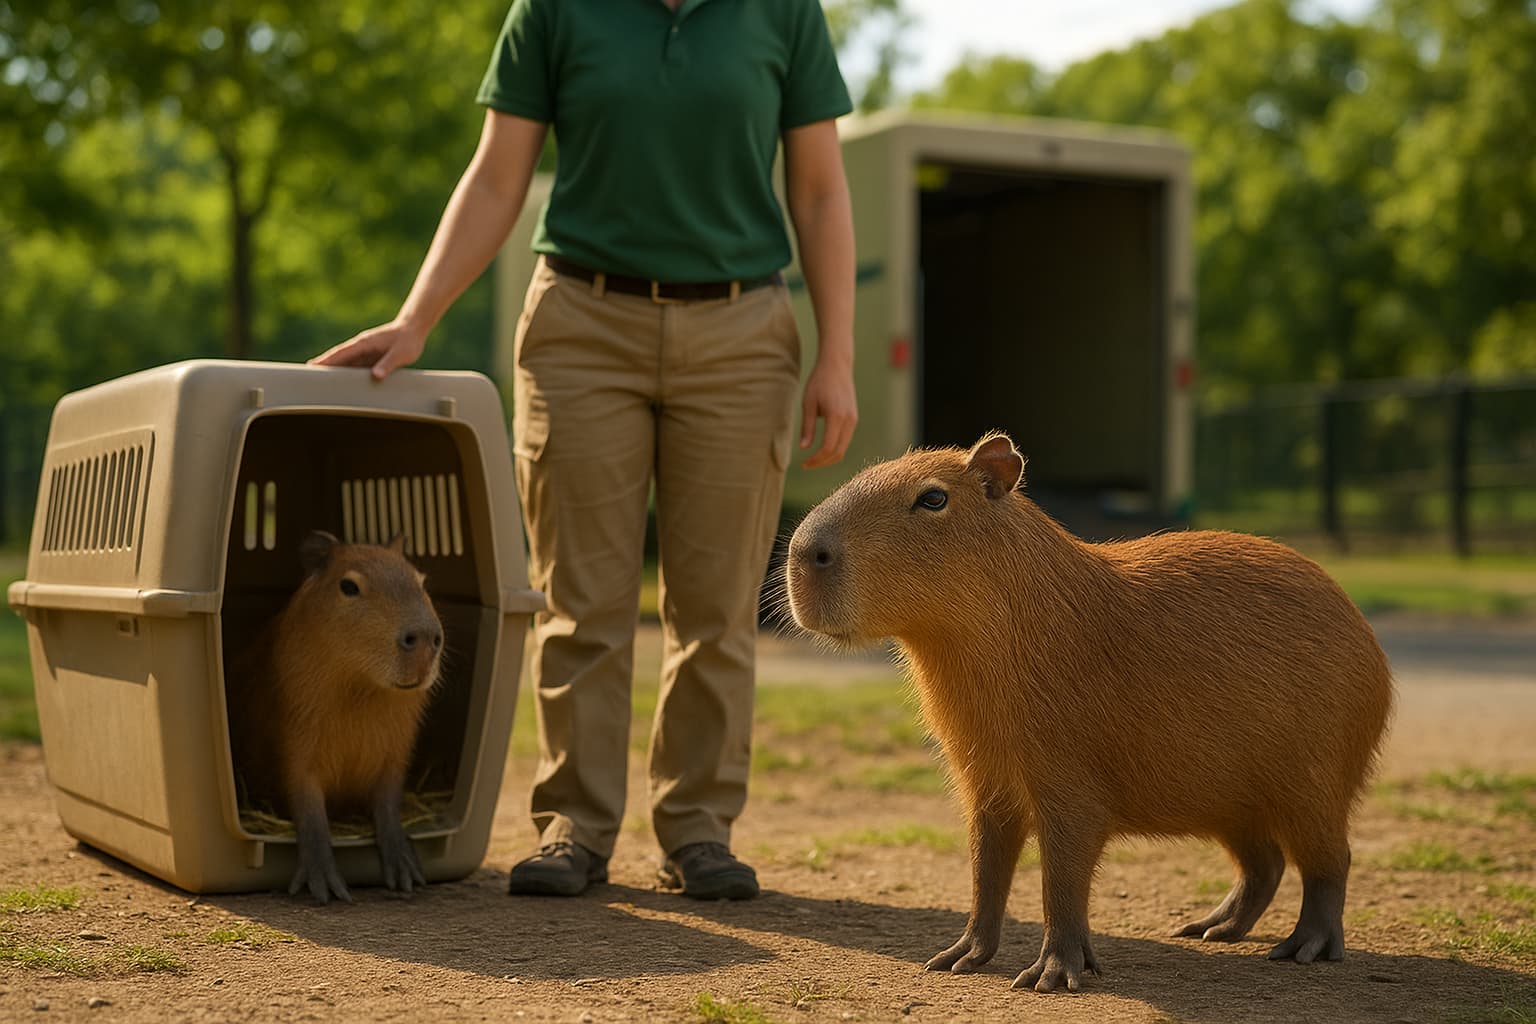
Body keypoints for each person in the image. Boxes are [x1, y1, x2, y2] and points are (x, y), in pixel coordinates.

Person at [312, 0, 857, 901]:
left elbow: (820, 190)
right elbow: (496, 177)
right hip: (581, 324)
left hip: (741, 332)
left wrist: (834, 354)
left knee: (716, 604)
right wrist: (418, 317)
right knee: (580, 596)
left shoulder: (784, 13)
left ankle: (698, 830)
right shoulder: (553, 10)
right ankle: (574, 826)